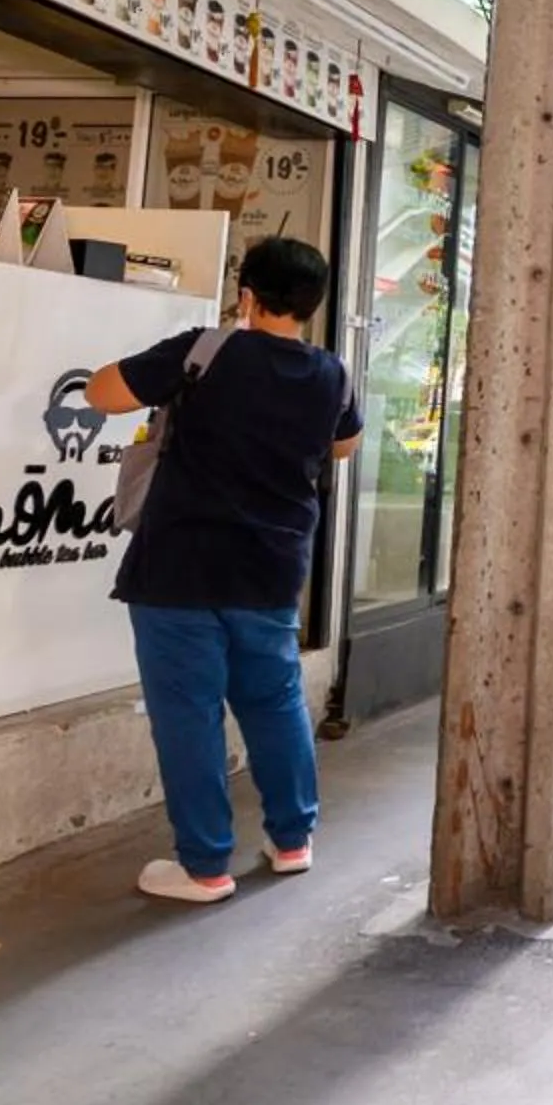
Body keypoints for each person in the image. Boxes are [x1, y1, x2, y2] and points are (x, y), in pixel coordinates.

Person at [88, 236, 363, 902]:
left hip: (179, 566)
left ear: (247, 293)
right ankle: (292, 840)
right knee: (275, 701)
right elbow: (345, 445)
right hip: (270, 568)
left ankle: (206, 865)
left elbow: (102, 394)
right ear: (312, 304)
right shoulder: (330, 373)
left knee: (188, 712)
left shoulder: (203, 352)